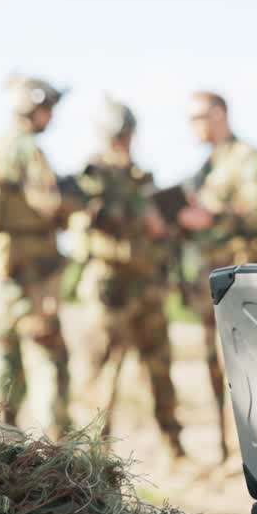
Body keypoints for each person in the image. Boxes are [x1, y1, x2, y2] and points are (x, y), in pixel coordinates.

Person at [72, 97, 186, 459]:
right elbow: (90, 216)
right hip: (112, 287)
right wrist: (141, 220)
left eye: (128, 133)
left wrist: (166, 226)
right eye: (121, 133)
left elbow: (162, 227)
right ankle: (94, 455)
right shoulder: (93, 173)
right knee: (103, 376)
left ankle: (174, 447)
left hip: (149, 285)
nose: (125, 140)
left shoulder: (141, 177)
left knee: (160, 370)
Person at [177, 90, 257, 462]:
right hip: (212, 281)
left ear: (220, 114)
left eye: (198, 116)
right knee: (213, 364)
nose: (193, 126)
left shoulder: (250, 160)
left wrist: (213, 217)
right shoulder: (206, 166)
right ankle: (226, 452)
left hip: (243, 281)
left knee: (247, 367)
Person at [0, 75, 79, 438]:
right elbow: (48, 203)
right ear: (34, 108)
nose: (51, 116)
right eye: (48, 108)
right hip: (31, 272)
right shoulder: (27, 150)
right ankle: (59, 446)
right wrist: (74, 199)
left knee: (4, 355)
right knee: (49, 357)